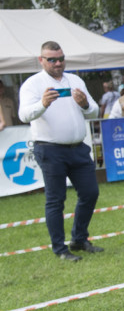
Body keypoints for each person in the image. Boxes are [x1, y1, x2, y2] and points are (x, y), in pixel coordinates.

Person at [18, 42, 103, 262]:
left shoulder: (75, 80)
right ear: (41, 60)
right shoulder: (32, 84)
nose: (58, 63)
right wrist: (42, 104)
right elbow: (24, 115)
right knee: (56, 200)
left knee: (90, 193)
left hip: (78, 148)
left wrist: (85, 104)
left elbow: (93, 111)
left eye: (61, 58)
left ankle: (79, 238)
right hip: (50, 149)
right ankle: (60, 248)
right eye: (52, 59)